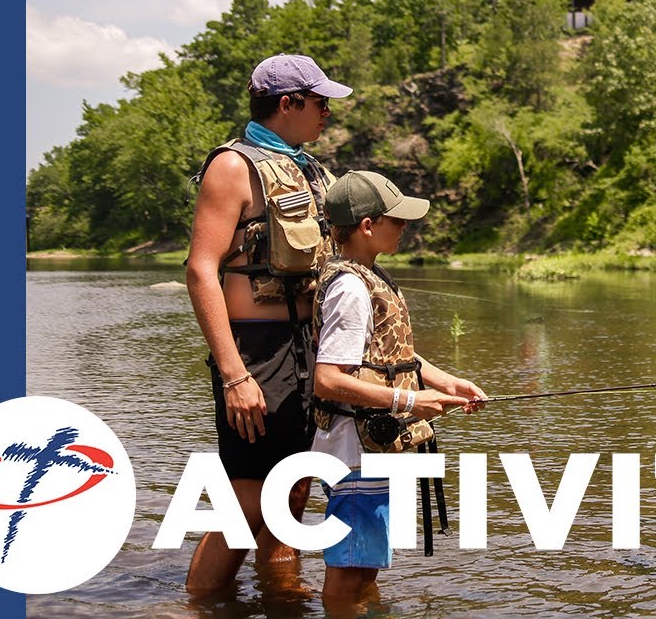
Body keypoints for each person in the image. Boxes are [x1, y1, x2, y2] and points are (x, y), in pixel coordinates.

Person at [184, 53, 353, 594]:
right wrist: (235, 374)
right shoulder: (232, 167)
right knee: (251, 494)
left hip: (308, 342)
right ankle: (197, 605)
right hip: (255, 349)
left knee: (299, 484)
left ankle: (280, 591)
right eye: (319, 101)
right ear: (288, 104)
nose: (327, 111)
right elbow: (200, 270)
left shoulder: (311, 169)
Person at [310, 169, 487, 602]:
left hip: (375, 445)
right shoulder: (350, 287)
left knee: (365, 567)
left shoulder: (371, 274)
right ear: (367, 226)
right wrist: (411, 400)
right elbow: (328, 379)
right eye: (397, 219)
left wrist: (447, 382)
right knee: (349, 570)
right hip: (353, 451)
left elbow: (392, 353)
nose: (405, 227)